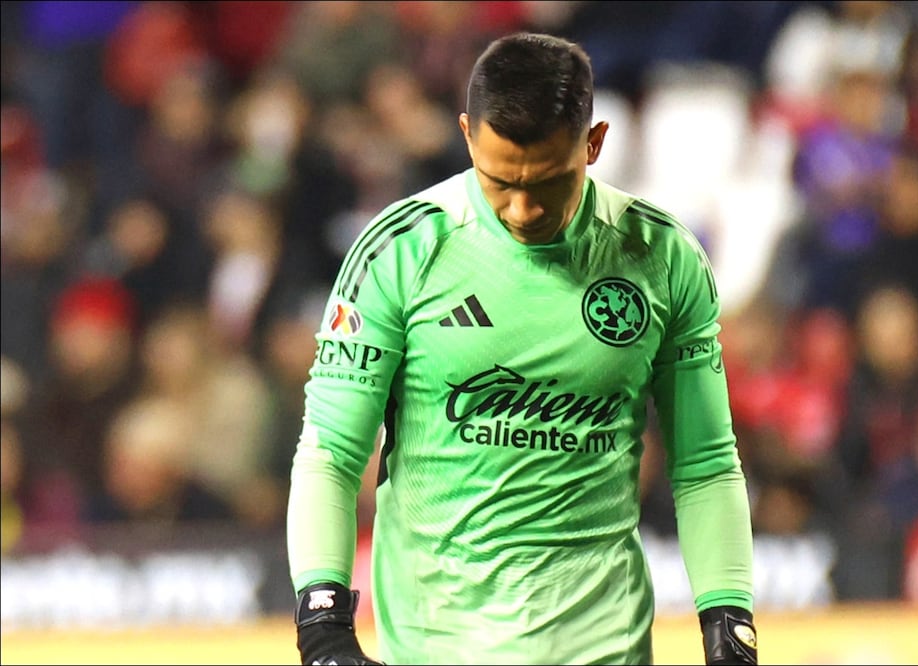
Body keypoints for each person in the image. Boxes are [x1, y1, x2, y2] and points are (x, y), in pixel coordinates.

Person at [286, 32, 757, 666]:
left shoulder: (661, 256)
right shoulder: (400, 250)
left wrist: (729, 624)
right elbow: (331, 454)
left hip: (603, 648)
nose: (522, 208)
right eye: (499, 180)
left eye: (549, 182)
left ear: (594, 144)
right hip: (438, 649)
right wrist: (323, 626)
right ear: (467, 136)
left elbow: (704, 465)